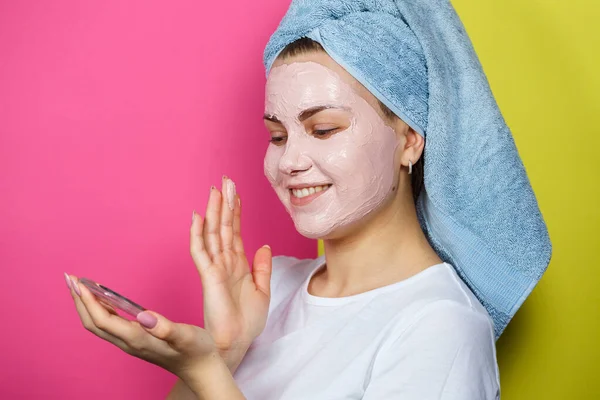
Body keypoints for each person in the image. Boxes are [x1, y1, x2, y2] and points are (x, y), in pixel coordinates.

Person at [65, 1, 551, 399]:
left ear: (409, 139)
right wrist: (227, 348)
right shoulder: (267, 289)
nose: (289, 162)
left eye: (323, 129)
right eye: (277, 136)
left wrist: (207, 373)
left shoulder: (441, 328)